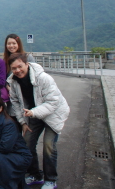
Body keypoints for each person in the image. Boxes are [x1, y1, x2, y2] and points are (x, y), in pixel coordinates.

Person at [8, 53, 70, 189]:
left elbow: (53, 102)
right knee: (27, 143)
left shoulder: (43, 78)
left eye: (20, 66)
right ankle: (35, 174)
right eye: (14, 68)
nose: (17, 70)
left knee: (48, 145)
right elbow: (15, 102)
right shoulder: (13, 82)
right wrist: (23, 122)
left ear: (27, 64)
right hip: (34, 114)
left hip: (53, 115)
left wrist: (33, 112)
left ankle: (51, 179)